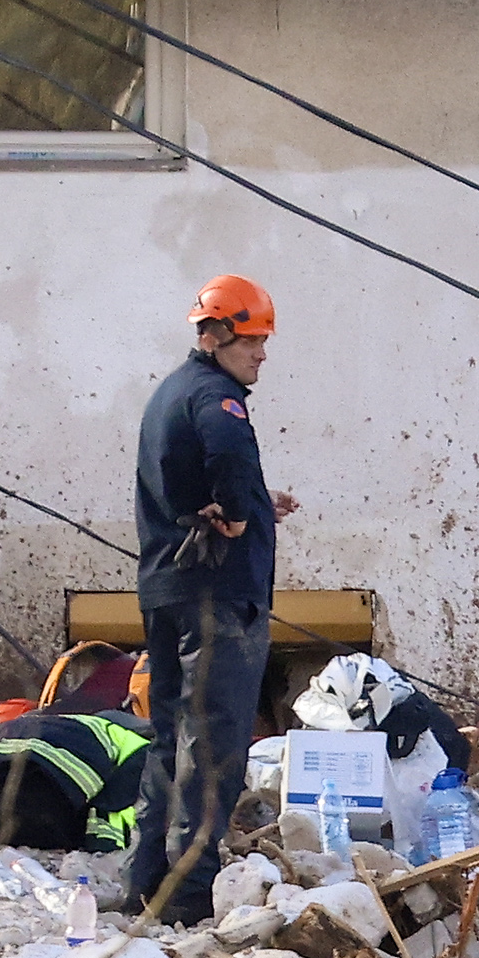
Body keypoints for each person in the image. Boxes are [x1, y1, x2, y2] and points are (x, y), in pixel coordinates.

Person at [128, 273, 298, 924]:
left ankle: (143, 878)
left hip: (166, 588)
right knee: (214, 742)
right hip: (216, 599)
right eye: (253, 340)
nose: (261, 354)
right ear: (220, 334)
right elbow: (225, 450)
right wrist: (235, 512)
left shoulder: (173, 390)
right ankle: (191, 894)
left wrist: (255, 501)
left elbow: (193, 473)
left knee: (166, 733)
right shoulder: (218, 396)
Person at [0, 698, 152, 851]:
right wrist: (102, 844)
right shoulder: (137, 744)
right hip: (45, 821)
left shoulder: (33, 723)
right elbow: (113, 803)